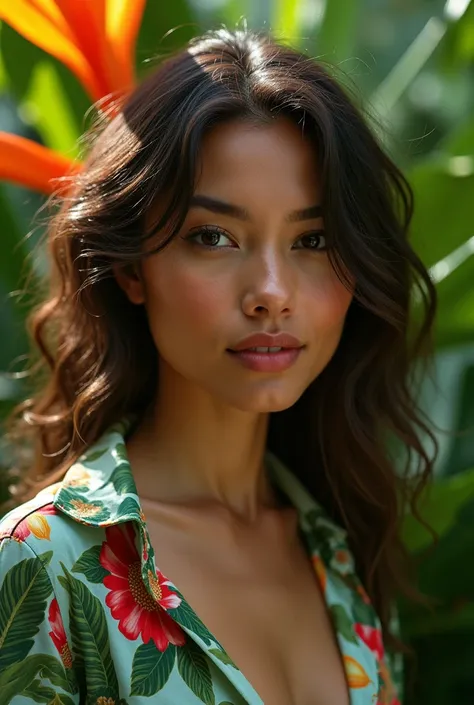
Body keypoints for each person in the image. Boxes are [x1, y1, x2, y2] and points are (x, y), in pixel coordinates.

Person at [0, 27, 436, 705]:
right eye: (214, 237)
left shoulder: (344, 558)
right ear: (131, 267)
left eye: (313, 239)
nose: (271, 291)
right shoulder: (42, 565)